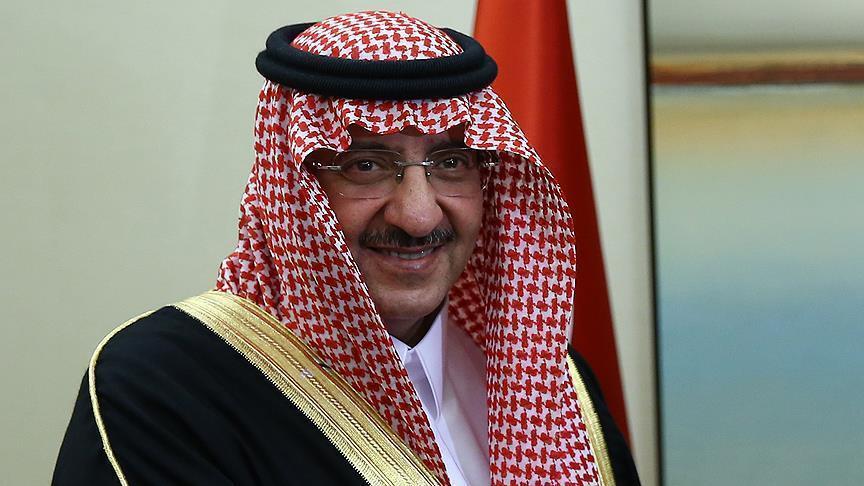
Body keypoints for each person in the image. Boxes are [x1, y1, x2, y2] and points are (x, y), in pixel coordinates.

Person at [52, 11, 639, 486]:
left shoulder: (553, 386)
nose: (418, 216)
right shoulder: (166, 385)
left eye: (451, 162)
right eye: (366, 165)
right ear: (294, 187)